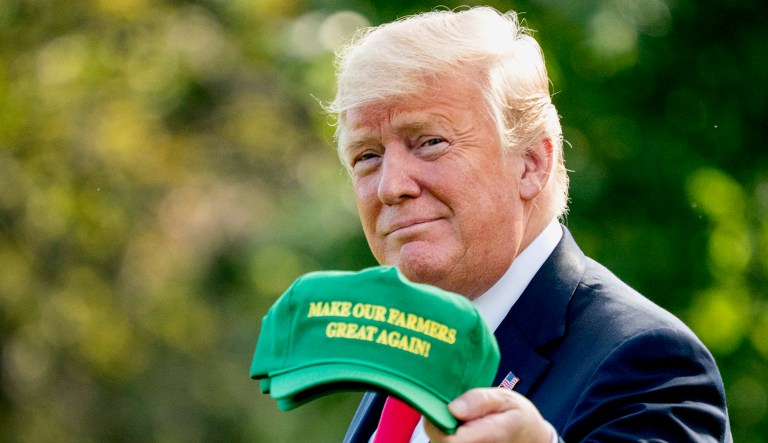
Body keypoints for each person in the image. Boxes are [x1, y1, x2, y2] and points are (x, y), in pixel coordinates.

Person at [324, 6, 731, 443]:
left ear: (532, 164)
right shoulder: (407, 359)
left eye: (429, 142)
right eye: (367, 155)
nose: (391, 185)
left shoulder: (649, 361)